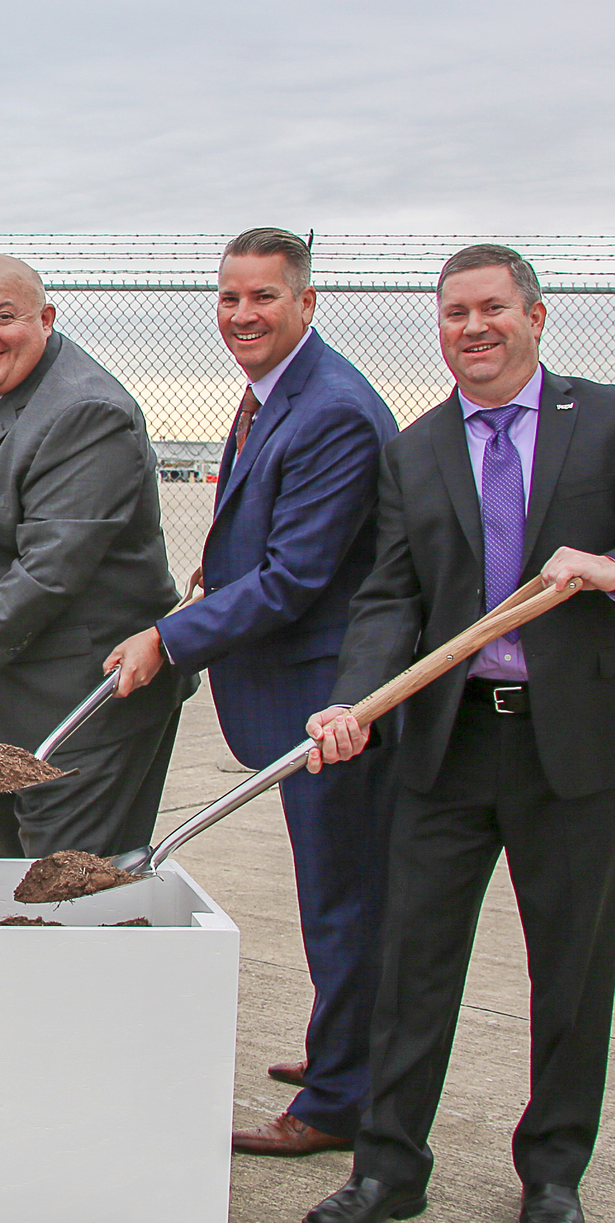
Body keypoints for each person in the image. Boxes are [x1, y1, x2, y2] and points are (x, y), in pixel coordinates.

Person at [302, 245, 615, 1223]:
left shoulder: (603, 421)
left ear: (536, 315)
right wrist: (357, 697)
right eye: (452, 314)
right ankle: (389, 1171)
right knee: (413, 964)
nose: (472, 328)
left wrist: (604, 567)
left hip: (573, 749)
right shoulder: (417, 447)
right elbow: (390, 595)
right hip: (447, 743)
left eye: (490, 309)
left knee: (570, 972)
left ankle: (553, 1173)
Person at [102, 229, 399, 1158]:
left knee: (342, 890)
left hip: (330, 695)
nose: (241, 316)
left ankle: (338, 1099)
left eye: (263, 297)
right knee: (331, 885)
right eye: (229, 298)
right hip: (293, 682)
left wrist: (169, 637)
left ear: (306, 303)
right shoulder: (280, 394)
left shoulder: (333, 409)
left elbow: (296, 577)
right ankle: (339, 1051)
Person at [0, 255, 188, 859]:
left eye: (4, 317)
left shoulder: (87, 410)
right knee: (16, 886)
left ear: (46, 318)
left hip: (81, 703)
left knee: (67, 896)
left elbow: (53, 567)